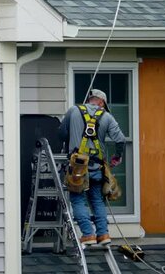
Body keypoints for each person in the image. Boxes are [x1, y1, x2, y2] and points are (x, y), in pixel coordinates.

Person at [58, 88, 126, 245]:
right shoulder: (107, 116)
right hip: (96, 166)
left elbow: (61, 134)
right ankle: (103, 235)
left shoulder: (73, 111)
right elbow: (120, 139)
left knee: (77, 199)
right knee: (96, 199)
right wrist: (117, 157)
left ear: (91, 99)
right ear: (101, 102)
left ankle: (88, 234)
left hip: (77, 166)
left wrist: (74, 133)